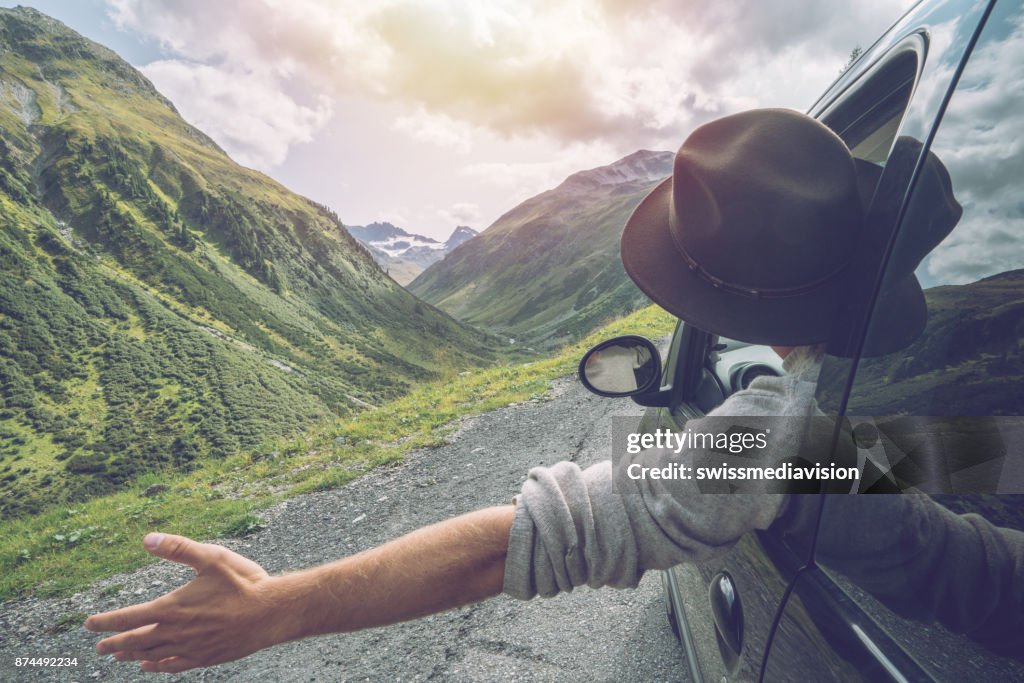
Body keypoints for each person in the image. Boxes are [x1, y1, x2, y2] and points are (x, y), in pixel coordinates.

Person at [84, 109, 1016, 672]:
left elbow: (529, 536)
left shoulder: (782, 430)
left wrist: (278, 601)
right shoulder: (937, 412)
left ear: (730, 293)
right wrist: (666, 457)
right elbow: (935, 462)